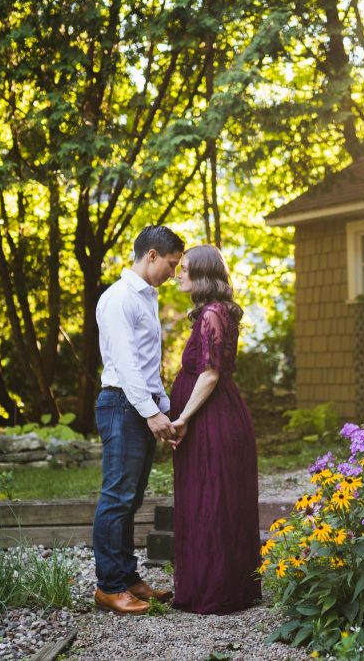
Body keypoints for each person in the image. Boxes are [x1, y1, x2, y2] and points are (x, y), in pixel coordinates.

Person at [92, 225, 185, 615]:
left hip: (138, 404)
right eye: (171, 264)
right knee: (116, 498)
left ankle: (129, 579)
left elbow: (148, 366)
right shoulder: (119, 299)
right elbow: (128, 366)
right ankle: (109, 587)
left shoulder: (147, 298)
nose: (174, 273)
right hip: (120, 405)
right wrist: (150, 413)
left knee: (131, 499)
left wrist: (163, 407)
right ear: (150, 255)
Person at [169, 244, 261, 614]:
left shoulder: (211, 313)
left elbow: (209, 374)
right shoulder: (213, 312)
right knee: (209, 499)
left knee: (212, 500)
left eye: (185, 268)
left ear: (204, 275)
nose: (178, 273)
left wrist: (183, 418)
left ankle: (218, 590)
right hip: (215, 417)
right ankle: (218, 586)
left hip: (212, 420)